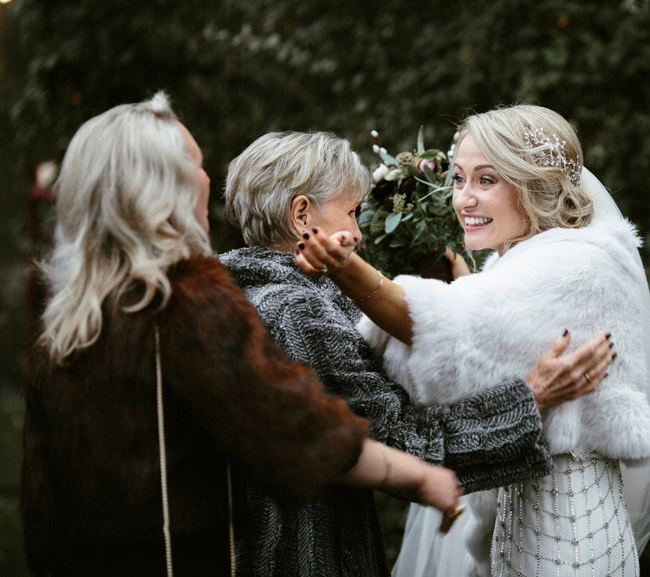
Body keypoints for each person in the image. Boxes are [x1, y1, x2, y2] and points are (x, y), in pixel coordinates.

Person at [20, 93, 464, 576]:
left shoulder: (66, 328)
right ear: (159, 190)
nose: (208, 179)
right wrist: (419, 475)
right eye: (195, 162)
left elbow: (44, 512)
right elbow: (294, 430)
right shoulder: (188, 304)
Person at [219, 130, 616, 576]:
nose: (356, 232)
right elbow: (398, 443)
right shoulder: (297, 311)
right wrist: (529, 398)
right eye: (350, 211)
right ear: (302, 215)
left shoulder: (238, 298)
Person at [298, 105, 650, 577]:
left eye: (486, 180)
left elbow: (453, 330)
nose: (464, 199)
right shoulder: (534, 259)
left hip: (570, 527)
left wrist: (347, 268)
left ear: (535, 185)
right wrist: (461, 282)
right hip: (529, 513)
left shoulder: (581, 264)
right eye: (458, 179)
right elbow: (493, 340)